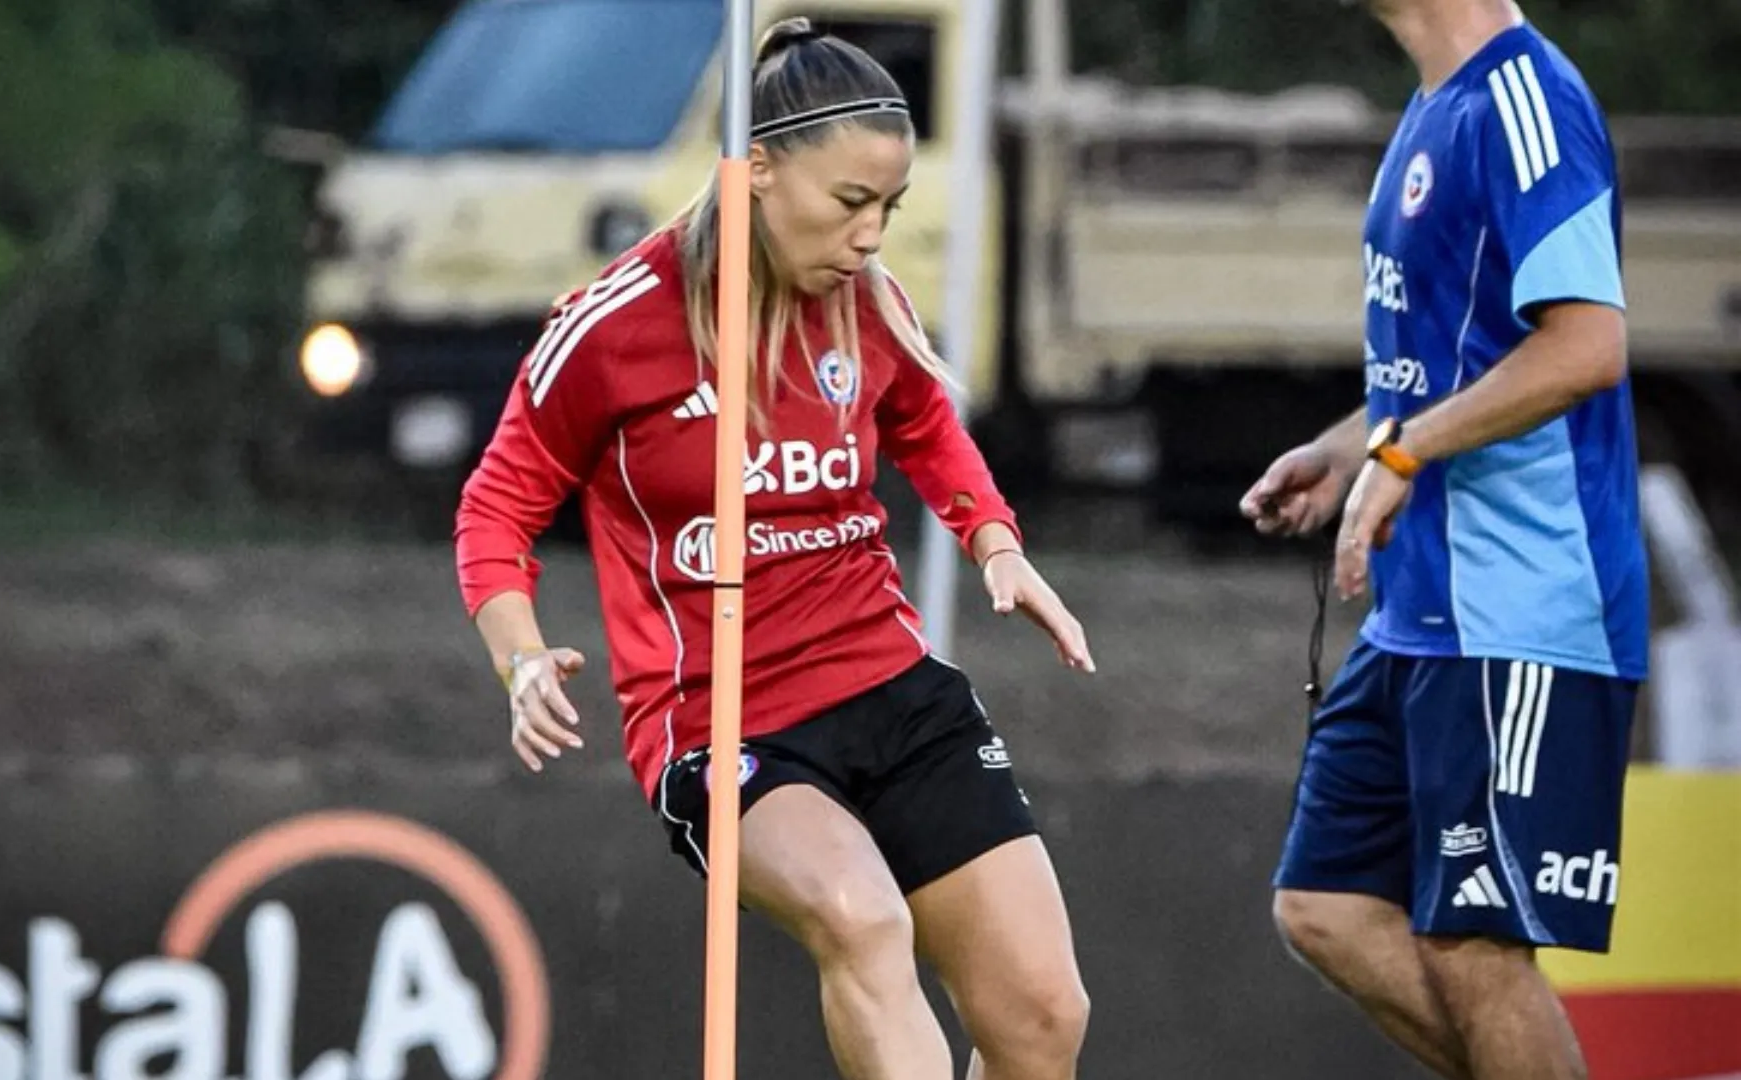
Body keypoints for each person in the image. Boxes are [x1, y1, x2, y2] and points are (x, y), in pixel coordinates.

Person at [454, 19, 1095, 1080]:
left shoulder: (863, 305)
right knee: (862, 918)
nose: (872, 236)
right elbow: (496, 509)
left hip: (892, 686)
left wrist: (993, 543)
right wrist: (520, 658)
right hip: (724, 722)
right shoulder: (612, 327)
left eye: (888, 208)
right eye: (851, 204)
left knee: (1041, 1017)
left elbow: (925, 424)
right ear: (756, 170)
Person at [1240, 2, 1648, 1077]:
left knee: (1473, 939)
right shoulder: (1436, 104)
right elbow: (1457, 359)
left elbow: (1585, 348)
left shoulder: (1527, 101)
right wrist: (1351, 448)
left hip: (1520, 602)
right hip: (1423, 610)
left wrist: (1406, 455)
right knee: (1325, 905)